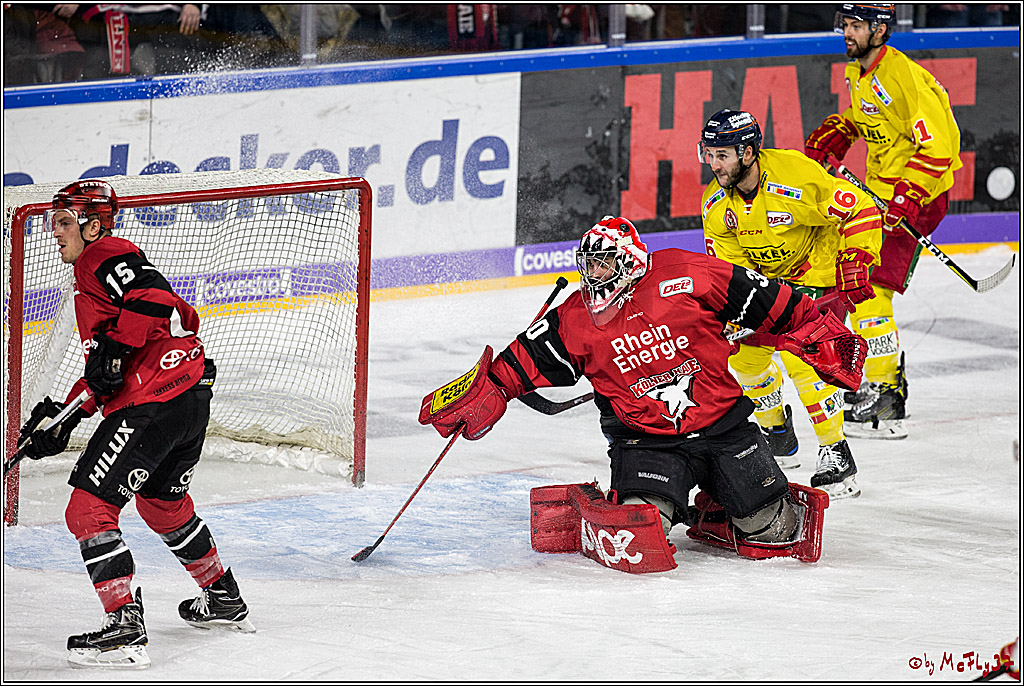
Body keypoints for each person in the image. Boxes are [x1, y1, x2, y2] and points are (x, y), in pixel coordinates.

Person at [419, 215, 868, 563]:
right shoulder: (575, 317)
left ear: (631, 261)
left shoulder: (688, 273)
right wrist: (491, 388)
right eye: (588, 265)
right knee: (636, 533)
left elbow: (769, 298)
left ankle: (719, 512)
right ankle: (592, 509)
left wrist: (813, 328)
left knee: (778, 532)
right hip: (646, 442)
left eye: (604, 264)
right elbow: (521, 362)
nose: (594, 276)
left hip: (724, 428)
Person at [17, 180, 254, 669]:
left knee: (87, 511)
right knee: (164, 505)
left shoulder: (102, 253)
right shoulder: (94, 278)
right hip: (187, 400)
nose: (54, 233)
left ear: (94, 224)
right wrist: (62, 419)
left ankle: (124, 627)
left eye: (64, 222)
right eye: (52, 222)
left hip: (154, 406)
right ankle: (223, 596)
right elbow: (111, 370)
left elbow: (156, 299)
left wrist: (117, 349)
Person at [699, 108, 883, 499]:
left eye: (721, 155)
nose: (713, 164)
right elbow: (730, 268)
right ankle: (778, 434)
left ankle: (836, 452)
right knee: (744, 362)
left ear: (748, 152)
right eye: (708, 154)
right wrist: (736, 309)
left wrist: (856, 258)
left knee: (809, 362)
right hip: (770, 284)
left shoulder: (795, 176)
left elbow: (862, 209)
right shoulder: (716, 206)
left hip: (816, 272)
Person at [804, 3, 963, 440]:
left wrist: (907, 196)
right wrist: (844, 129)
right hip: (883, 198)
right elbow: (874, 118)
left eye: (856, 26)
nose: (848, 34)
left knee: (870, 289)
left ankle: (886, 393)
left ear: (880, 29)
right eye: (846, 25)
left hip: (915, 199)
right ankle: (878, 383)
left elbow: (939, 147)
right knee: (854, 282)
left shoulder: (904, 76)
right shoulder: (861, 72)